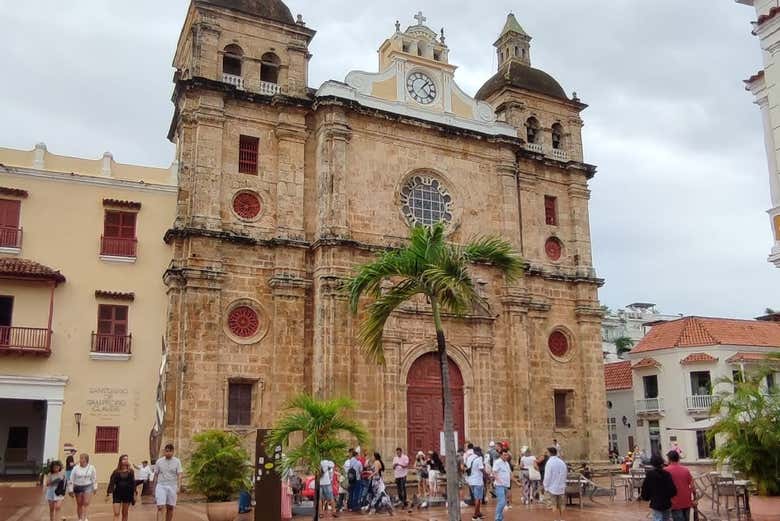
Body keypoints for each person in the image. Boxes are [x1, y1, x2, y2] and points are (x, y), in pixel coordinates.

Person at [641, 454, 677, 521]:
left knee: (657, 518)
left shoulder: (650, 474)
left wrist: (645, 497)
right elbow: (673, 490)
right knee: (666, 518)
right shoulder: (667, 474)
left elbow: (645, 488)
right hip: (666, 502)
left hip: (655, 502)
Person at [155, 443, 183, 521]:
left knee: (170, 507)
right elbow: (156, 475)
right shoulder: (159, 461)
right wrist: (153, 488)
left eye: (170, 451)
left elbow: (179, 474)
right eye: (166, 451)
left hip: (172, 486)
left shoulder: (177, 461)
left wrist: (179, 486)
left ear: (173, 452)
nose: (168, 453)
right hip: (161, 486)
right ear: (164, 451)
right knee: (160, 507)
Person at [666, 450, 695, 521]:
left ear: (669, 459)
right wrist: (694, 498)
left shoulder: (666, 471)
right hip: (686, 500)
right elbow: (692, 485)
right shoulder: (686, 470)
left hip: (675, 502)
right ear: (678, 458)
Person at [107, 454, 136, 521]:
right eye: (124, 459)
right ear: (120, 461)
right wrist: (108, 493)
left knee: (125, 513)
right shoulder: (116, 471)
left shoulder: (131, 471)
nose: (126, 460)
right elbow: (111, 482)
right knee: (116, 513)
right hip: (117, 494)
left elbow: (133, 483)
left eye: (127, 459)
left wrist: (134, 493)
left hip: (128, 494)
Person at [69, 453, 97, 521]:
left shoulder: (91, 467)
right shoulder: (76, 468)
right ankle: (80, 518)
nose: (80, 460)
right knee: (79, 503)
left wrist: (95, 487)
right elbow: (71, 479)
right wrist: (70, 489)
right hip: (78, 486)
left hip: (88, 486)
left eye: (82, 458)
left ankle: (85, 518)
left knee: (86, 502)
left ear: (86, 459)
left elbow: (94, 478)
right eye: (80, 458)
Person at [542, 446, 567, 521]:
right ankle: (562, 519)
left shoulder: (549, 463)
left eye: (547, 452)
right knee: (561, 505)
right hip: (561, 487)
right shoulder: (562, 462)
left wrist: (545, 486)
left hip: (552, 488)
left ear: (550, 453)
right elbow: (565, 473)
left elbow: (547, 476)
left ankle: (556, 519)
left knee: (554, 505)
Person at [466, 446, 485, 521]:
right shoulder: (479, 458)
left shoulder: (469, 458)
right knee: (478, 499)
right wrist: (487, 476)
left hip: (471, 481)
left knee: (475, 497)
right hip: (478, 481)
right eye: (480, 451)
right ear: (477, 451)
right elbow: (481, 469)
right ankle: (475, 516)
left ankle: (478, 513)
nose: (481, 452)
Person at [492, 449, 512, 521]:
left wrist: (517, 482)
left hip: (506, 485)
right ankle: (497, 518)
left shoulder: (506, 463)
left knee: (503, 503)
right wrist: (498, 480)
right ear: (500, 455)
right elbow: (494, 472)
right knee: (502, 502)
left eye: (507, 455)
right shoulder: (497, 462)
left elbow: (510, 473)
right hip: (499, 485)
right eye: (504, 455)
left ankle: (500, 517)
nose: (506, 456)